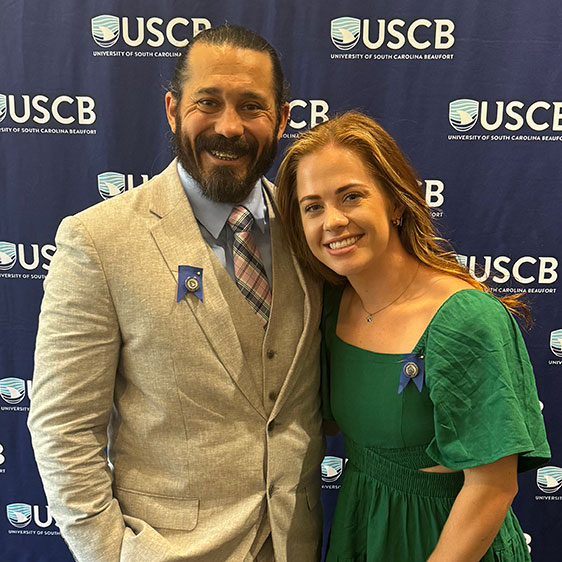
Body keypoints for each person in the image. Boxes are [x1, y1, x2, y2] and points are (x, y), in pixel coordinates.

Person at [28, 25, 324, 562]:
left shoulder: (313, 233)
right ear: (172, 109)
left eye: (252, 107)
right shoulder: (98, 240)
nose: (229, 127)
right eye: (207, 102)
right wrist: (111, 553)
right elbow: (63, 427)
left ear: (282, 120)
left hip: (293, 546)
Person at [275, 111, 550, 561]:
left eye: (351, 196)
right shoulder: (329, 306)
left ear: (397, 202)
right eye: (313, 207)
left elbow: (492, 488)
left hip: (447, 543)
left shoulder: (464, 319)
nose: (333, 221)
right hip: (364, 527)